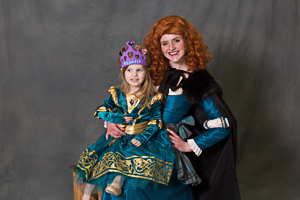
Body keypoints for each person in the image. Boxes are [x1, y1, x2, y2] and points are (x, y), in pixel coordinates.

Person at [106, 15, 241, 200]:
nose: (171, 48)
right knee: (111, 179)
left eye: (176, 40)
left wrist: (188, 146)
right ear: (158, 47)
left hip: (164, 149)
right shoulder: (154, 72)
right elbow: (127, 100)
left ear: (187, 41)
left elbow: (224, 125)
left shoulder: (198, 81)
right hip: (136, 139)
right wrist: (110, 121)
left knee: (132, 187)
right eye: (165, 43)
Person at [74, 41, 175, 200]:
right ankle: (86, 196)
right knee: (97, 159)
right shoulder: (118, 94)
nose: (134, 75)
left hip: (140, 138)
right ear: (123, 72)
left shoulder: (152, 98)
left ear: (146, 72)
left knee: (127, 156)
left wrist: (142, 137)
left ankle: (117, 183)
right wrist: (117, 118)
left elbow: (156, 122)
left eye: (139, 70)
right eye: (130, 70)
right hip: (120, 136)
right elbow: (100, 110)